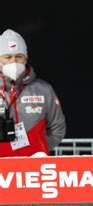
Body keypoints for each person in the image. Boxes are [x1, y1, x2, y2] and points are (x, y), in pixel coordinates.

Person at [0, 29, 66, 157]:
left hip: (33, 168)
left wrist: (41, 149)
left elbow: (58, 128)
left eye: (19, 56)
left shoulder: (43, 89)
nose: (14, 61)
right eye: (8, 57)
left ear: (26, 58)